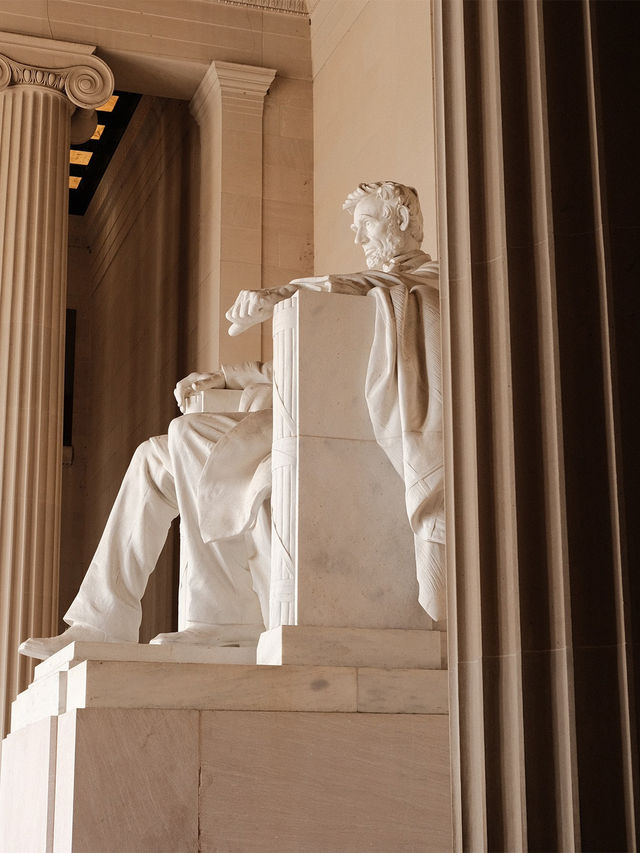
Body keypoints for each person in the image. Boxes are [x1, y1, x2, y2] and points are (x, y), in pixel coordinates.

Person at [19, 181, 444, 660]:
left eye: (366, 222)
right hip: (304, 418)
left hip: (352, 432)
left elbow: (369, 287)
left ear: (402, 221)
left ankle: (223, 620)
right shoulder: (373, 290)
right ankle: (99, 621)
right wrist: (224, 378)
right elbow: (291, 366)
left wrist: (282, 293)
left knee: (188, 434)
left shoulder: (426, 283)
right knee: (151, 459)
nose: (358, 236)